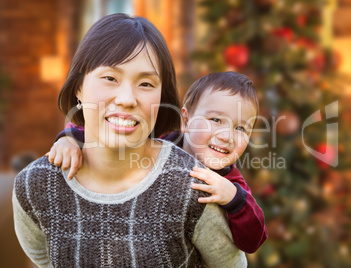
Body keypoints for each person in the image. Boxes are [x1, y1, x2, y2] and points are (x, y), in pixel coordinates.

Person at [13, 13, 247, 268]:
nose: (127, 98)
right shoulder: (35, 186)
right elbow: (43, 258)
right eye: (110, 78)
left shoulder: (192, 187)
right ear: (79, 86)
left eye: (146, 83)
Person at [48, 72, 268, 253]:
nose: (226, 136)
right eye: (216, 120)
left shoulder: (231, 182)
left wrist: (234, 198)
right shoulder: (158, 142)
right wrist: (68, 139)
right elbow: (102, 132)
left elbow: (253, 240)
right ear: (186, 119)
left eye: (241, 128)